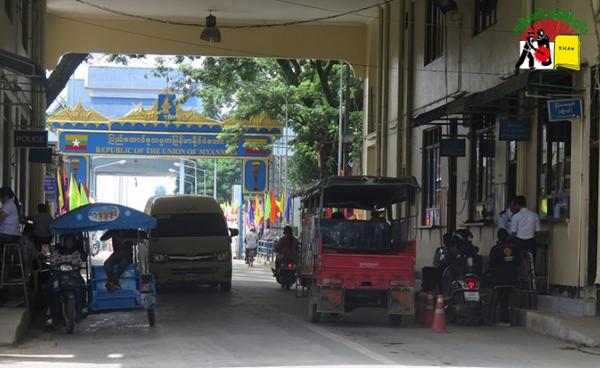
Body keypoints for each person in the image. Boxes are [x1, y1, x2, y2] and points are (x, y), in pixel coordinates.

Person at [48, 234, 84, 325]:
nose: (69, 243)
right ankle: (56, 315)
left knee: (80, 288)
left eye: (71, 241)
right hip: (59, 276)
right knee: (54, 290)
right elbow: (52, 263)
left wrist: (75, 267)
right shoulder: (57, 253)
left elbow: (79, 263)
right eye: (68, 241)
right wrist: (55, 267)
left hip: (73, 275)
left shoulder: (76, 253)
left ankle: (80, 311)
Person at [488, 228, 520, 327]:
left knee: (502, 300)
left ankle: (504, 320)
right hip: (512, 278)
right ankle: (505, 319)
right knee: (506, 299)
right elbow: (519, 261)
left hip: (500, 279)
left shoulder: (496, 249)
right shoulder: (515, 248)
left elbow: (491, 264)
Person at [0, 187, 22, 259]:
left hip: (8, 235)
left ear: (5, 196)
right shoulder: (11, 204)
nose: (0, 200)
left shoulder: (8, 205)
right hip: (12, 234)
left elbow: (1, 217)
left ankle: (2, 260)